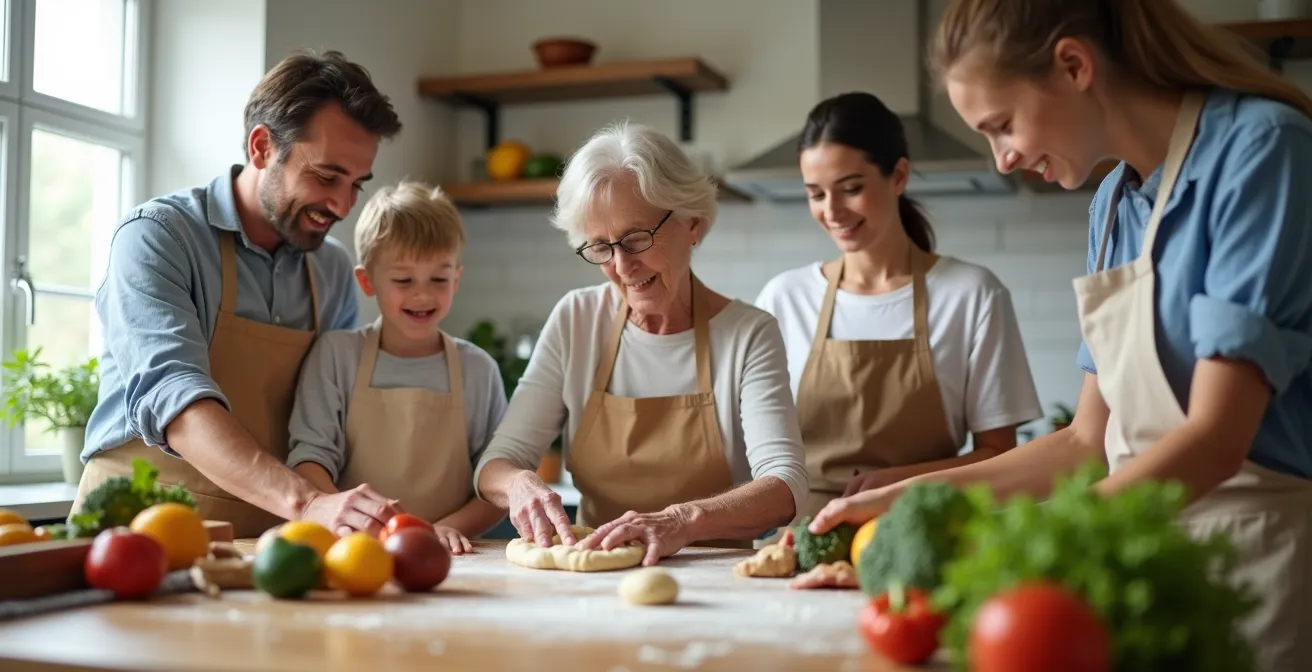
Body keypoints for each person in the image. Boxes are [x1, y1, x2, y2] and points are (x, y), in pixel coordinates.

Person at [810, 1, 1312, 668]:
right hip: (1132, 565)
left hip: (1255, 564)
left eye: (1002, 125)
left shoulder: (1263, 151)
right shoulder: (1111, 205)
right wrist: (909, 500)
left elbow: (1215, 441)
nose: (1003, 159)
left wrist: (1011, 544)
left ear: (1074, 65)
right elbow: (1084, 443)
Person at [74, 50, 406, 539]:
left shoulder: (332, 269)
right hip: (133, 534)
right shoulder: (158, 237)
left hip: (268, 547)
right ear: (262, 147)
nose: (342, 205)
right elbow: (176, 403)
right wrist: (310, 502)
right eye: (326, 176)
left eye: (357, 184)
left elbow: (328, 421)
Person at [473, 121, 808, 565]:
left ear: (692, 223)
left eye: (636, 239)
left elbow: (785, 486)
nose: (622, 265)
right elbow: (497, 462)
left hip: (712, 581)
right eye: (600, 247)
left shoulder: (748, 334)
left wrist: (682, 521)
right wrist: (518, 484)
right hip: (590, 576)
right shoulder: (577, 319)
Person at [754, 91, 1042, 525]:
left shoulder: (972, 295)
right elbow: (757, 453)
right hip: (802, 540)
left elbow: (998, 455)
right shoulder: (784, 298)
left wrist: (901, 483)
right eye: (816, 194)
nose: (832, 211)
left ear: (899, 176)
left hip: (925, 532)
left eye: (851, 189)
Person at [285, 182, 508, 553]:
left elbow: (496, 484)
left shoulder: (478, 369)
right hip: (356, 549)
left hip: (449, 555)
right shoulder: (337, 355)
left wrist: (445, 530)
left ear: (456, 279)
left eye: (439, 278)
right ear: (366, 281)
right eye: (404, 280)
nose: (423, 294)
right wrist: (348, 517)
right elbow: (310, 458)